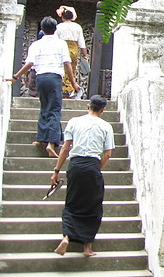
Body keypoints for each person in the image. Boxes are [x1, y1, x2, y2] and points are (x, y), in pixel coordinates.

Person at [6, 16, 80, 158]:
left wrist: (16, 77)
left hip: (41, 78)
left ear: (42, 29)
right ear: (55, 29)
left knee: (44, 106)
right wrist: (73, 82)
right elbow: (67, 65)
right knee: (54, 108)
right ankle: (51, 143)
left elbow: (29, 64)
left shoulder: (36, 45)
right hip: (54, 78)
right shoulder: (61, 44)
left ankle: (41, 138)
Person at [51, 95, 115, 257]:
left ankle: (66, 237)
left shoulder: (74, 121)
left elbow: (65, 149)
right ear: (102, 110)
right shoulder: (106, 126)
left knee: (72, 203)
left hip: (75, 166)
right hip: (92, 166)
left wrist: (56, 171)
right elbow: (107, 154)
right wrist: (95, 168)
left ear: (88, 106)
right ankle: (87, 247)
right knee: (93, 206)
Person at [55, 5, 88, 99]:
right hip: (73, 49)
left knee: (61, 69)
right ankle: (69, 89)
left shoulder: (58, 27)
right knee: (72, 69)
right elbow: (81, 42)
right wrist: (85, 55)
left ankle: (62, 89)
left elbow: (55, 39)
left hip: (61, 48)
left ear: (62, 17)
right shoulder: (77, 27)